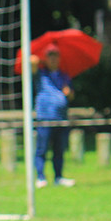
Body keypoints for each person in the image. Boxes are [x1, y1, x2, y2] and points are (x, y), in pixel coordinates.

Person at [31, 44, 75, 188]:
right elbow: (31, 62)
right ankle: (41, 177)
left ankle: (58, 177)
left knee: (59, 150)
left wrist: (69, 93)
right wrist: (39, 60)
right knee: (42, 149)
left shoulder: (64, 75)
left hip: (61, 118)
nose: (53, 58)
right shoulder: (41, 73)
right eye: (50, 55)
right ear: (46, 58)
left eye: (55, 55)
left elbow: (71, 95)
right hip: (44, 117)